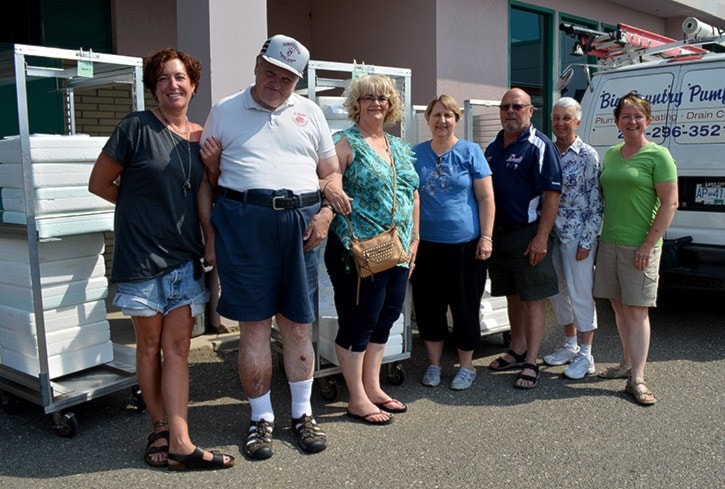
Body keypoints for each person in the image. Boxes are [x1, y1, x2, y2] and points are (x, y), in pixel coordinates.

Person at [199, 34, 350, 460]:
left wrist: (325, 214)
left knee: (299, 326)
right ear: (256, 65)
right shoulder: (225, 111)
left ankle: (302, 414)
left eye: (287, 78)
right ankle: (261, 418)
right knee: (254, 328)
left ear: (297, 80)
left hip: (303, 224)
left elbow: (330, 172)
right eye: (271, 72)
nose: (277, 83)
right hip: (245, 224)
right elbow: (207, 183)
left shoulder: (311, 112)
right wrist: (210, 238)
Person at [88, 48, 234, 471]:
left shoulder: (201, 137)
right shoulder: (136, 127)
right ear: (154, 87)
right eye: (165, 78)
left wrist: (209, 240)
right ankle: (160, 428)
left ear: (193, 85)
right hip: (140, 260)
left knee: (179, 351)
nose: (174, 84)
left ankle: (180, 438)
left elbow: (207, 193)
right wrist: (140, 209)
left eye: (181, 77)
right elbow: (100, 183)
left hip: (184, 263)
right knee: (150, 348)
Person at [324, 74, 419, 424]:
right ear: (356, 104)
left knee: (388, 315)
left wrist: (414, 240)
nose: (376, 103)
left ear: (390, 104)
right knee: (359, 319)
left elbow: (413, 192)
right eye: (368, 98)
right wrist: (328, 187)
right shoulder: (345, 142)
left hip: (396, 248)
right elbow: (321, 177)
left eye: (382, 98)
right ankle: (357, 397)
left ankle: (374, 386)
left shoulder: (398, 146)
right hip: (356, 249)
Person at [593, 91, 678, 405]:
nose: (632, 121)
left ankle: (638, 378)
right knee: (618, 307)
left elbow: (670, 203)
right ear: (617, 121)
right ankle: (626, 363)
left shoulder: (658, 155)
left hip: (639, 247)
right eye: (625, 116)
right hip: (610, 242)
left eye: (638, 116)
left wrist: (647, 245)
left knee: (637, 310)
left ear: (648, 120)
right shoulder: (613, 153)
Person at [411, 95, 495, 390]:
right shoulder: (415, 153)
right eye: (436, 115)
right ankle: (433, 365)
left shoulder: (471, 152)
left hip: (466, 246)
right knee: (429, 307)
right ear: (428, 119)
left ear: (457, 119)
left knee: (465, 306)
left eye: (448, 115)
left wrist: (486, 237)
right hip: (426, 247)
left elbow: (486, 198)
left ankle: (467, 366)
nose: (442, 120)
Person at [484, 88, 562, 389]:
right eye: (505, 107)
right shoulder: (493, 146)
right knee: (512, 295)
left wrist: (541, 238)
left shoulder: (540, 146)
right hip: (500, 236)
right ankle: (516, 349)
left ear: (530, 111)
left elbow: (553, 196)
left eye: (517, 106)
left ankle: (531, 360)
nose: (510, 112)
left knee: (533, 299)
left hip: (528, 234)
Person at [542, 97, 603, 380]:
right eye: (556, 117)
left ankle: (586, 355)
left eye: (567, 118)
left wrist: (587, 240)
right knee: (558, 293)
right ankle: (569, 344)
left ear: (577, 122)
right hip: (551, 235)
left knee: (580, 293)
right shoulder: (547, 152)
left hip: (578, 236)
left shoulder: (587, 155)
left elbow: (596, 202)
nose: (560, 123)